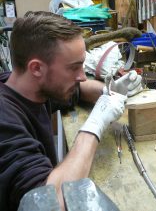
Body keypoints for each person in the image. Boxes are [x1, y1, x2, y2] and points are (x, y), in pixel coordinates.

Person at [0, 11, 142, 211]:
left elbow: (79, 90)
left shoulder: (26, 86)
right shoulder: (4, 122)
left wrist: (108, 91)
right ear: (36, 68)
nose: (82, 76)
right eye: (74, 68)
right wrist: (95, 124)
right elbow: (52, 201)